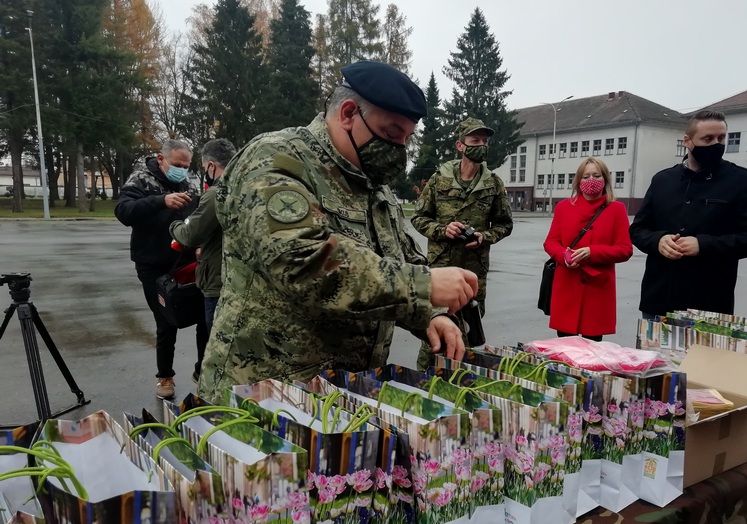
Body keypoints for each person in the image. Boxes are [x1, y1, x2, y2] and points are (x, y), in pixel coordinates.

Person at [198, 60, 477, 405]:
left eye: (407, 139)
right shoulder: (277, 158)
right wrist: (425, 286)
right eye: (391, 134)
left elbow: (397, 258)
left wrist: (430, 314)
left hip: (341, 394)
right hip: (264, 394)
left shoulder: (374, 187)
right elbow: (301, 261)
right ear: (348, 113)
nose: (399, 150)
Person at [629, 110, 747, 318]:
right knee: (652, 353)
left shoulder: (743, 181)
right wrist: (658, 241)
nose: (716, 144)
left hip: (709, 304)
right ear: (688, 141)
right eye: (707, 139)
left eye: (721, 138)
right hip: (658, 300)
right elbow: (638, 229)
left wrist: (703, 245)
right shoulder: (662, 180)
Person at [410, 117, 513, 368]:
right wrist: (443, 230)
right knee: (433, 333)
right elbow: (418, 217)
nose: (481, 145)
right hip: (440, 272)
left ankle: (457, 386)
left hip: (472, 273)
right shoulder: (439, 179)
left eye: (485, 141)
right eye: (475, 140)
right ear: (460, 145)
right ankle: (423, 383)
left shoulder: (493, 183)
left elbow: (505, 225)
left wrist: (483, 237)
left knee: (464, 336)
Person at [115, 139, 207, 399]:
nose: (182, 170)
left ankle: (204, 371)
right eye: (177, 164)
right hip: (153, 263)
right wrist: (160, 201)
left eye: (186, 165)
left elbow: (198, 214)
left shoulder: (188, 182)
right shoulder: (141, 179)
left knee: (203, 316)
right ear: (161, 159)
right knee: (167, 322)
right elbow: (123, 211)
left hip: (187, 261)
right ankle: (165, 377)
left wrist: (200, 243)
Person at [543, 157, 632, 341]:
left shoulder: (616, 209)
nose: (591, 180)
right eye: (586, 176)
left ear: (605, 179)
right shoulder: (564, 207)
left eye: (596, 175)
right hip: (567, 286)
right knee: (565, 347)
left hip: (597, 291)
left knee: (592, 349)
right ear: (578, 181)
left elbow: (625, 249)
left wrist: (593, 253)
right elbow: (550, 242)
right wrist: (564, 256)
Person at [169, 138, 237, 332]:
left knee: (217, 336)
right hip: (239, 277)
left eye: (205, 167)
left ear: (212, 166)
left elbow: (191, 235)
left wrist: (174, 226)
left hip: (217, 280)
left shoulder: (217, 193)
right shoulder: (246, 187)